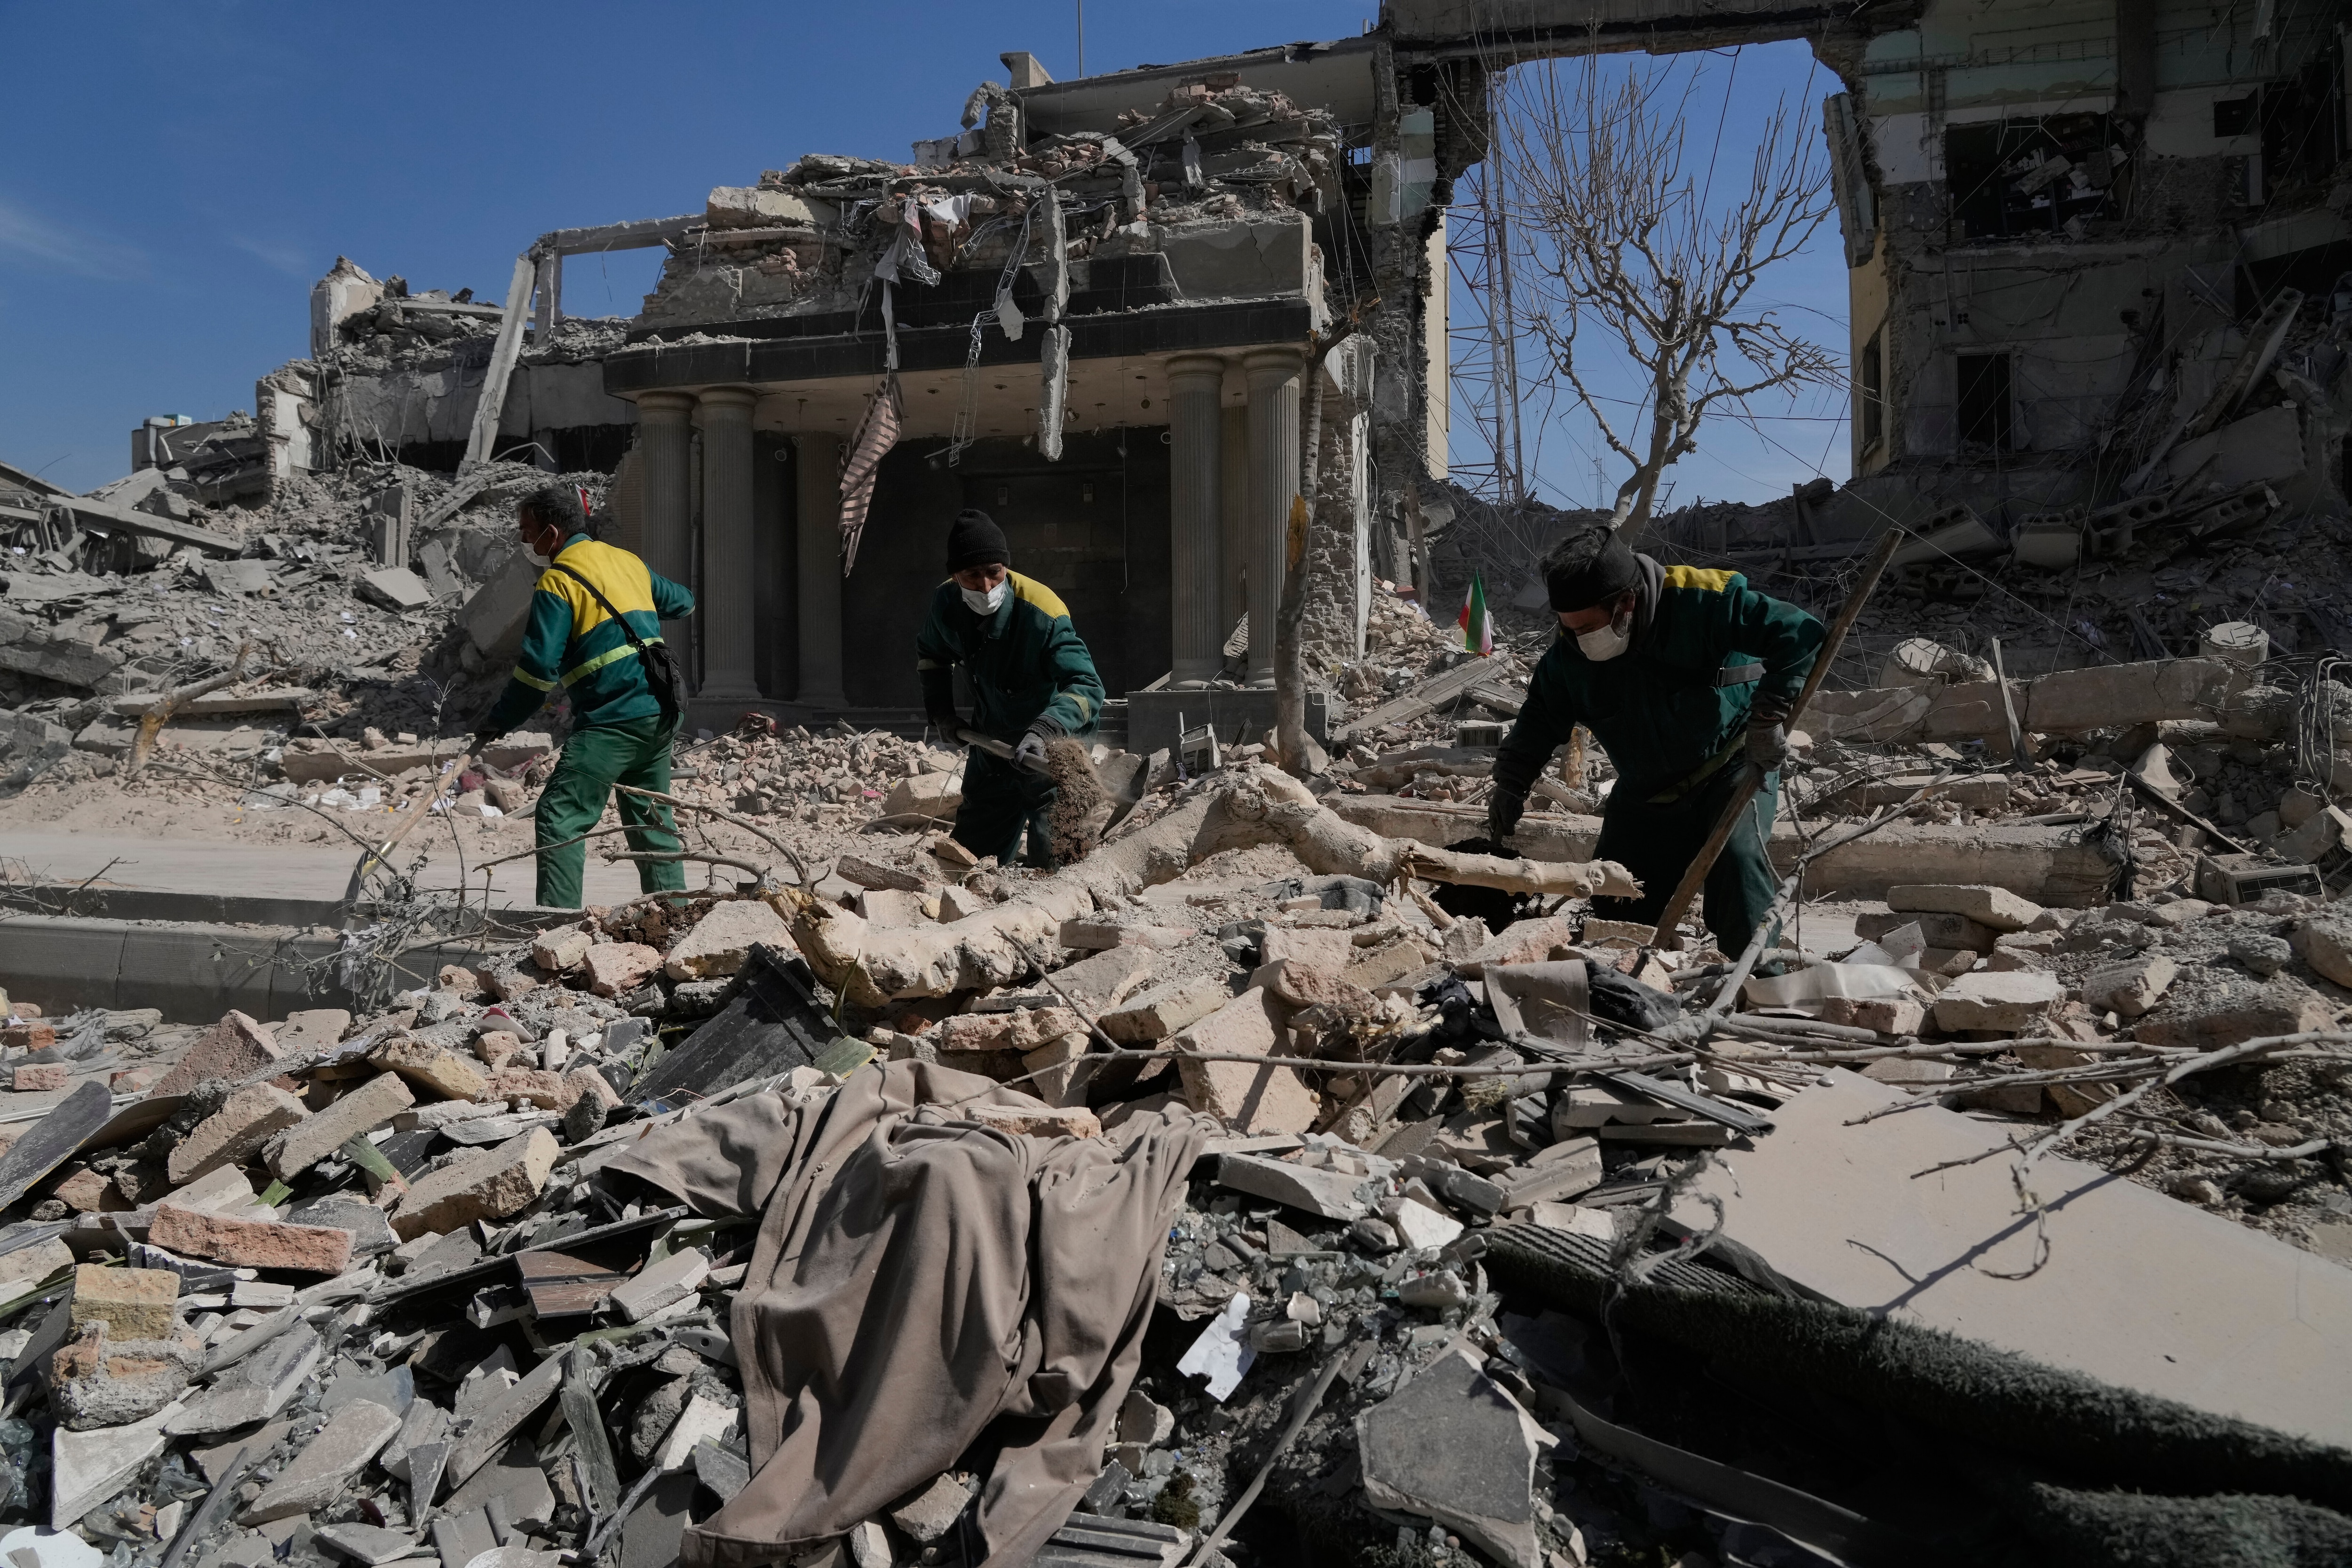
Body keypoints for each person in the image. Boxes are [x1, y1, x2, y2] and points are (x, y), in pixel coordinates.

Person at [1488, 524, 1824, 955]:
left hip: (1731, 764)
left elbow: (1800, 633)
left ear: (1627, 603)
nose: (1579, 639)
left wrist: (1767, 718)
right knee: (1610, 906)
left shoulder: (1703, 600)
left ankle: (1754, 985)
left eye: (1588, 626)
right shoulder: (1569, 656)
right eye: (1568, 628)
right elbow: (1538, 719)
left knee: (1738, 869)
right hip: (1645, 792)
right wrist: (1510, 784)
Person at [471, 483, 697, 909]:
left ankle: (556, 931)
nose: (523, 540)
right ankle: (676, 917)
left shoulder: (557, 583)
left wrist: (500, 718)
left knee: (561, 815)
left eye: (526, 530)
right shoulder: (625, 562)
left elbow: (538, 670)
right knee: (651, 820)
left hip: (615, 718)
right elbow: (683, 603)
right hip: (661, 713)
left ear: (552, 534)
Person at [916, 508, 1105, 868]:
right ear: (955, 576)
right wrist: (941, 711)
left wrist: (1045, 729)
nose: (986, 586)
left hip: (1053, 746)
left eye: (994, 573)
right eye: (972, 576)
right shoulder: (945, 604)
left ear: (1006, 568)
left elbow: (1086, 684)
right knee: (969, 862)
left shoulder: (1043, 613)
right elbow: (931, 654)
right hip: (994, 737)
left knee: (1057, 864)